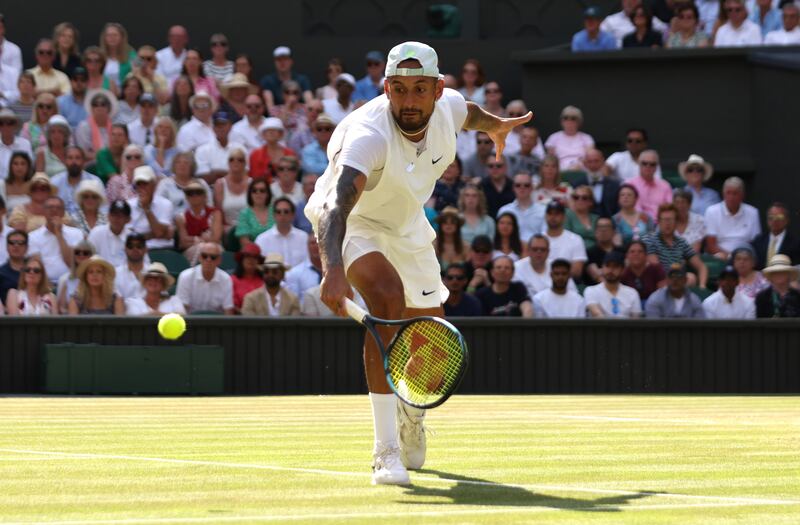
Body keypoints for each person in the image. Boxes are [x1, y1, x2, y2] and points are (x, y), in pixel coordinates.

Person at [307, 41, 530, 485]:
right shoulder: (368, 135)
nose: (409, 101)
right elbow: (336, 205)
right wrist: (333, 269)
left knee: (431, 349)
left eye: (420, 90)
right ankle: (385, 451)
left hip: (408, 224)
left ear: (436, 88)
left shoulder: (447, 107)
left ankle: (412, 410)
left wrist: (495, 126)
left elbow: (467, 111)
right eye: (400, 90)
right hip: (354, 222)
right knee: (387, 302)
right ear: (387, 88)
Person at [643, 203, 708, 288]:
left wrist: (702, 286)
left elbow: (701, 267)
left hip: (676, 281)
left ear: (676, 222)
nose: (667, 223)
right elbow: (656, 269)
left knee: (691, 278)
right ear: (658, 222)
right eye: (664, 220)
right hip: (657, 282)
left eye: (670, 220)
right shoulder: (649, 239)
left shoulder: (681, 242)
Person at [28, 196, 84, 285]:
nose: (54, 210)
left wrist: (59, 234)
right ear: (43, 211)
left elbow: (72, 263)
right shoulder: (33, 236)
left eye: (58, 208)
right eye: (50, 207)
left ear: (63, 212)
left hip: (71, 283)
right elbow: (38, 267)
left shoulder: (76, 233)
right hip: (44, 284)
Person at [704, 177, 761, 260]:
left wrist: (739, 257)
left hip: (745, 257)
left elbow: (755, 242)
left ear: (742, 195)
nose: (731, 197)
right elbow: (711, 245)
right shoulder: (711, 211)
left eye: (735, 193)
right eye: (728, 193)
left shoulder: (753, 212)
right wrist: (731, 257)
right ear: (723, 194)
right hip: (720, 257)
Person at [175, 241, 234, 315]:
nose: (208, 260)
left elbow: (228, 310)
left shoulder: (226, 279)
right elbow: (182, 309)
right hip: (191, 323)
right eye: (204, 256)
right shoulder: (185, 276)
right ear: (199, 258)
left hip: (217, 323)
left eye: (213, 257)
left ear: (219, 260)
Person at [126, 165, 174, 250]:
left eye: (145, 184)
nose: (141, 188)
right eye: (138, 184)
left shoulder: (166, 204)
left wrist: (146, 208)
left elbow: (158, 232)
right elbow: (129, 237)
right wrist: (156, 234)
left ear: (154, 185)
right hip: (138, 251)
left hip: (163, 250)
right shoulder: (129, 205)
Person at [176, 180, 223, 263]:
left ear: (205, 196)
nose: (194, 196)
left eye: (198, 192)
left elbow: (216, 239)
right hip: (191, 251)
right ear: (186, 197)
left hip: (213, 248)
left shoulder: (215, 213)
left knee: (210, 249)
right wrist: (200, 239)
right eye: (190, 193)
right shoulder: (181, 217)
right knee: (200, 248)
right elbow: (183, 243)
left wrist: (192, 239)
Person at [584, 251, 643, 318]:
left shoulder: (632, 293)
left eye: (615, 266)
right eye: (607, 266)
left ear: (622, 270)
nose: (610, 270)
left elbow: (636, 321)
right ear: (602, 268)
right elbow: (597, 315)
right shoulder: (591, 291)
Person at [255, 197, 308, 268]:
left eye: (286, 211)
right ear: (274, 215)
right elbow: (259, 265)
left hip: (299, 278)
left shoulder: (304, 237)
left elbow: (308, 264)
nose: (282, 214)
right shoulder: (262, 239)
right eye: (278, 212)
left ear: (293, 215)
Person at [50, 147, 103, 217]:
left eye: (77, 158)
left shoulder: (95, 181)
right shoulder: (55, 181)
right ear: (64, 161)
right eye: (70, 158)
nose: (74, 162)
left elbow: (103, 209)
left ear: (84, 161)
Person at [195, 112, 245, 184]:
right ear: (213, 128)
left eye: (223, 124)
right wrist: (231, 173)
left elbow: (244, 175)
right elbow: (204, 178)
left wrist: (216, 173)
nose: (220, 128)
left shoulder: (240, 149)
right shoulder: (202, 150)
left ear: (230, 126)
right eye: (217, 125)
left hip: (236, 187)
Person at [496, 172, 546, 245]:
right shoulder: (504, 211)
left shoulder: (543, 210)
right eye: (518, 185)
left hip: (535, 252)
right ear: (513, 188)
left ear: (532, 188)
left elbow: (545, 236)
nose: (522, 188)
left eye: (526, 185)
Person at [543, 200, 587, 280]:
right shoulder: (538, 240)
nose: (553, 217)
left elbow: (577, 271)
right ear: (545, 216)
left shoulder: (576, 239)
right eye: (550, 214)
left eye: (556, 214)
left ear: (564, 217)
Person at [259, 46, 313, 111]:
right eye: (279, 60)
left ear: (291, 61)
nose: (282, 62)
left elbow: (310, 104)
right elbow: (270, 108)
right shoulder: (267, 81)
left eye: (285, 59)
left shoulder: (302, 80)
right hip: (277, 118)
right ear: (275, 63)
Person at [544, 106, 594, 170]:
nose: (569, 121)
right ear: (561, 121)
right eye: (565, 118)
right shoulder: (553, 138)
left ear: (579, 121)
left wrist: (578, 165)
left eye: (573, 118)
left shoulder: (587, 138)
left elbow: (590, 157)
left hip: (581, 170)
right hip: (559, 172)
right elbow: (550, 159)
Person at [752, 202, 800, 269]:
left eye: (779, 217)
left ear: (787, 220)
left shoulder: (796, 243)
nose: (775, 220)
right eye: (771, 217)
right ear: (767, 220)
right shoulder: (758, 241)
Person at [75, 89, 118, 163]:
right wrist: (102, 158)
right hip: (91, 164)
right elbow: (83, 152)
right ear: (91, 108)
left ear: (109, 108)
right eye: (95, 105)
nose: (99, 107)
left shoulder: (115, 127)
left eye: (103, 104)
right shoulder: (84, 126)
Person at [627, 150, 672, 220]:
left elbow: (669, 209)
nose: (648, 166)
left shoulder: (665, 186)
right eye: (644, 163)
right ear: (639, 164)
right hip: (636, 223)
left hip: (660, 224)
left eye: (652, 164)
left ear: (656, 167)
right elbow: (629, 209)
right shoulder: (629, 184)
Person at [602, 0, 669, 46]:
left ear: (640, 2)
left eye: (633, 0)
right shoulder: (610, 20)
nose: (629, 2)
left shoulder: (650, 19)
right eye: (626, 0)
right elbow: (600, 36)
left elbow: (666, 31)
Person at [213, 148, 250, 233]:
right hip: (227, 229)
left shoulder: (251, 183)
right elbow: (218, 212)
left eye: (240, 160)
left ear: (245, 163)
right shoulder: (220, 184)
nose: (235, 162)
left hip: (248, 228)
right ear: (228, 163)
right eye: (232, 159)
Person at [88, 200, 132, 268]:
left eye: (120, 216)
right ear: (108, 216)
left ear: (128, 219)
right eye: (113, 215)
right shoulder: (96, 233)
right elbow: (88, 258)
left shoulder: (131, 237)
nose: (116, 219)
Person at [284, 235, 323, 306]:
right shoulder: (295, 273)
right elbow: (293, 302)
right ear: (307, 246)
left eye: (319, 243)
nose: (316, 246)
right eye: (313, 243)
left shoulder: (336, 272)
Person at [236, 178, 274, 249]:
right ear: (250, 194)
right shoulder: (244, 214)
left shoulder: (276, 211)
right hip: (254, 255)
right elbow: (244, 243)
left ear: (268, 194)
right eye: (254, 191)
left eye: (262, 191)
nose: (258, 193)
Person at [271, 80, 309, 147]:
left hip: (302, 144)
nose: (291, 95)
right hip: (283, 144)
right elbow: (278, 125)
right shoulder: (275, 110)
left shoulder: (305, 108)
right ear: (282, 94)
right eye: (287, 92)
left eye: (295, 92)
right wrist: (287, 106)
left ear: (299, 94)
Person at [584, 217, 621, 284]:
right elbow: (596, 276)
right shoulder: (589, 253)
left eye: (607, 227)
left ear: (614, 231)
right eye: (600, 227)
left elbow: (624, 273)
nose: (603, 230)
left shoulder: (622, 251)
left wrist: (601, 271)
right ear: (595, 232)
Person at [0, 110, 33, 181]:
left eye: (9, 123)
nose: (5, 126)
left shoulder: (25, 144)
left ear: (15, 126)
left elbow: (29, 168)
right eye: (1, 123)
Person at [231, 243, 264, 312]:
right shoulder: (233, 280)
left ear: (259, 261)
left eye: (255, 257)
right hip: (240, 319)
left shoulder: (264, 280)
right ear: (241, 260)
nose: (251, 260)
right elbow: (232, 306)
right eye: (247, 256)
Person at [114, 233, 148, 301]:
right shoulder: (116, 273)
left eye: (139, 246)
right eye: (130, 246)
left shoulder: (153, 272)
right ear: (125, 249)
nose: (135, 249)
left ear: (145, 249)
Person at [480, 154, 515, 218]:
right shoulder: (480, 186)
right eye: (491, 166)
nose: (494, 168)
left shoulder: (515, 186)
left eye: (499, 166)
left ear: (505, 167)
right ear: (486, 168)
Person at [565, 185, 599, 250]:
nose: (580, 200)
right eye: (576, 197)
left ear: (591, 202)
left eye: (584, 198)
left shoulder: (596, 218)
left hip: (595, 253)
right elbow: (566, 238)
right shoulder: (567, 215)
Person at [0, 229, 27, 304]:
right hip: (8, 314)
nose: (16, 245)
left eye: (21, 243)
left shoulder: (35, 270)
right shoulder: (1, 273)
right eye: (12, 243)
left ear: (26, 247)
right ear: (7, 247)